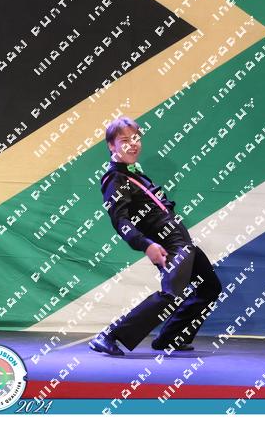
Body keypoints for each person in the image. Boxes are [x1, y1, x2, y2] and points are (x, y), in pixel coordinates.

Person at [89, 117, 222, 356]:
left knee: (209, 287)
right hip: (170, 245)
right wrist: (146, 245)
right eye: (125, 140)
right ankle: (108, 336)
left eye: (136, 139)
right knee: (170, 294)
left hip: (183, 242)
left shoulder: (135, 175)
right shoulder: (115, 178)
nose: (133, 144)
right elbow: (121, 221)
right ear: (111, 145)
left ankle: (171, 338)